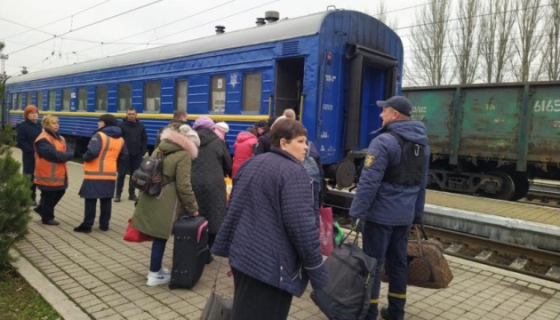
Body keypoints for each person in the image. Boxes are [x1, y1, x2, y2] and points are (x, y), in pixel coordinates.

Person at [211, 119, 328, 320]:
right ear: (284, 143)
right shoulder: (294, 172)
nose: (306, 147)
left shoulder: (251, 163)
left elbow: (233, 209)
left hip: (242, 257)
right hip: (271, 268)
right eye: (300, 141)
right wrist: (317, 270)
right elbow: (302, 228)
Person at [349, 96, 430, 320]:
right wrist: (417, 215)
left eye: (383, 111)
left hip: (380, 216)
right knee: (398, 263)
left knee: (372, 265)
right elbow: (421, 184)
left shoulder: (383, 142)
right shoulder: (423, 145)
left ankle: (369, 312)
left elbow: (369, 182)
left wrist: (357, 212)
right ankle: (396, 312)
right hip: (404, 217)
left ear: (394, 114)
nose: (380, 114)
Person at [131, 123, 200, 286]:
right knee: (161, 236)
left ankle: (157, 269)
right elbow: (184, 185)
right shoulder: (183, 155)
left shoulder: (160, 148)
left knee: (157, 236)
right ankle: (154, 274)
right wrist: (193, 208)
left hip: (151, 194)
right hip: (166, 199)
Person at [74, 114, 128, 233]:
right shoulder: (120, 139)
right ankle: (104, 225)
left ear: (104, 123)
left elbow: (92, 152)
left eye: (100, 122)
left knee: (90, 199)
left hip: (94, 173)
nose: (98, 124)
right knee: (106, 199)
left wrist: (84, 157)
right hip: (110, 173)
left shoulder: (99, 135)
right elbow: (124, 156)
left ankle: (87, 225)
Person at [191, 116, 232, 249]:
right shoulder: (218, 142)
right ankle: (209, 249)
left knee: (194, 213)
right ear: (212, 127)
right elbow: (228, 164)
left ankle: (194, 244)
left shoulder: (189, 142)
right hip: (214, 184)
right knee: (214, 215)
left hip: (193, 183)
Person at [33, 115, 74, 226]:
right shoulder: (43, 139)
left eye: (57, 123)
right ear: (46, 125)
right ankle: (47, 218)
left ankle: (41, 209)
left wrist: (66, 155)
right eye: (53, 123)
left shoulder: (61, 138)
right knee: (48, 196)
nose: (56, 125)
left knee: (60, 191)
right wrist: (66, 155)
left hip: (59, 174)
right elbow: (54, 155)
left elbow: (70, 151)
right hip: (46, 175)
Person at [116, 108, 147, 202]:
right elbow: (117, 139)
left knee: (134, 176)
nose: (131, 115)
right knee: (121, 174)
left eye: (133, 114)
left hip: (136, 155)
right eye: (129, 114)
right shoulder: (121, 125)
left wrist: (142, 151)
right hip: (125, 155)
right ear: (126, 115)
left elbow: (144, 139)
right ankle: (118, 194)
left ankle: (132, 194)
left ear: (136, 115)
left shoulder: (141, 126)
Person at [16, 105, 42, 205]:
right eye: (31, 113)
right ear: (27, 115)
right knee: (29, 175)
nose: (34, 115)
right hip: (29, 155)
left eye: (36, 113)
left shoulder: (40, 124)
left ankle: (33, 197)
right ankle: (28, 197)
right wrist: (31, 150)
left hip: (40, 154)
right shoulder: (22, 125)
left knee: (36, 176)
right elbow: (19, 141)